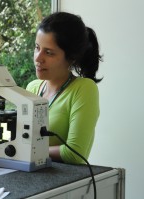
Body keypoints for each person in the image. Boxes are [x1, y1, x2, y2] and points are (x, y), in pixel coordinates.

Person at [26, 12, 102, 164]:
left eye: (48, 52)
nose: (38, 58)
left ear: (71, 57)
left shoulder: (84, 89)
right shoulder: (32, 88)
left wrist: (28, 150)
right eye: (37, 47)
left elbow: (75, 153)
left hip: (64, 184)